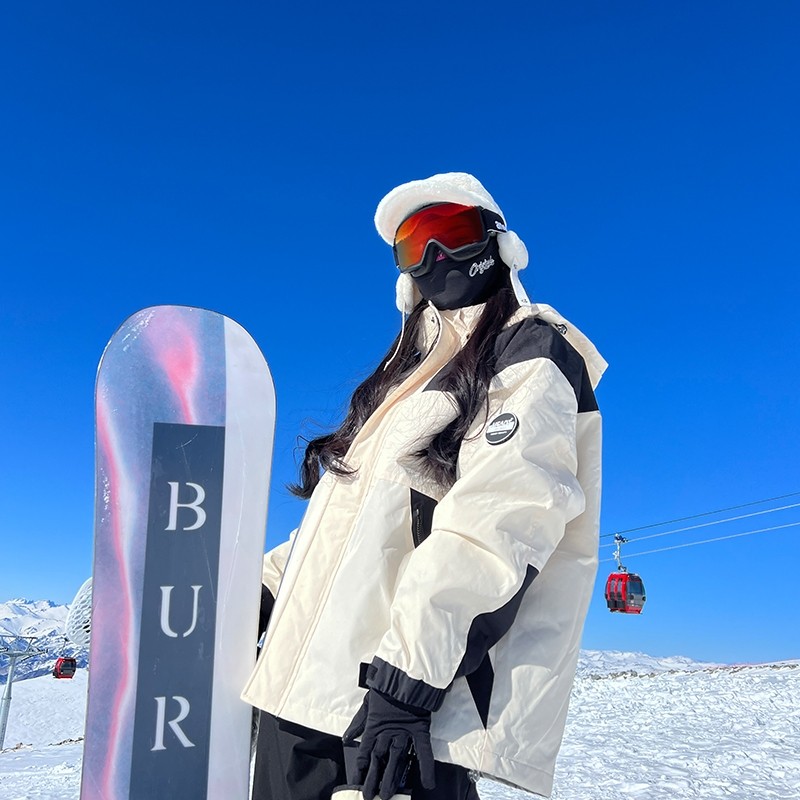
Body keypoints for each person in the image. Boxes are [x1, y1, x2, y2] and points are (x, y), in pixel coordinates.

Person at [242, 172, 607, 800]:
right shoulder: (405, 379)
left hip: (382, 712)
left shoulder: (528, 351)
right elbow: (350, 530)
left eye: (453, 232)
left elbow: (503, 518)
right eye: (414, 245)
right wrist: (264, 590)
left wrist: (407, 684)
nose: (436, 256)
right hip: (295, 700)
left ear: (498, 242)